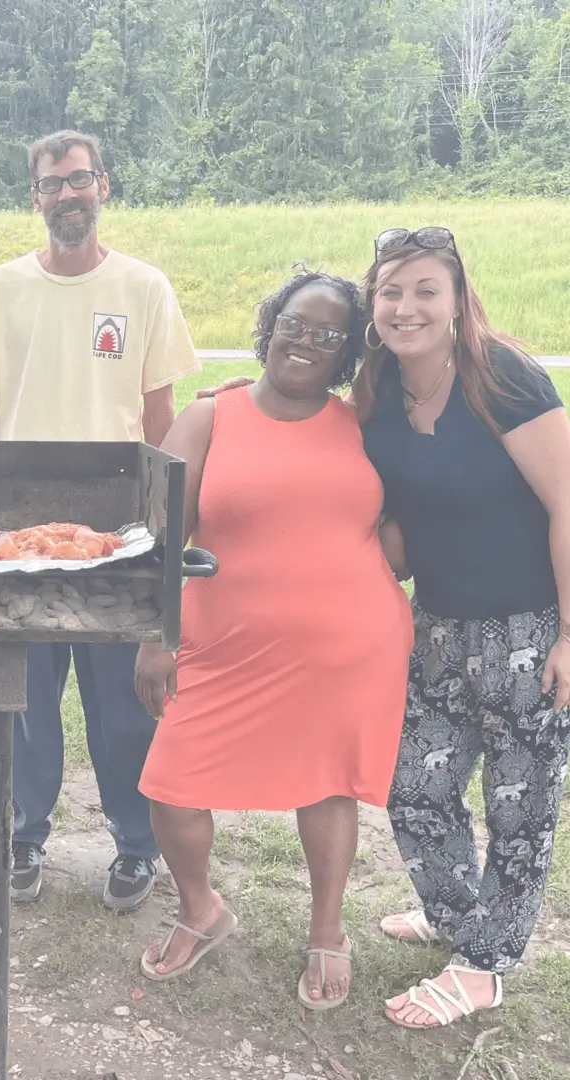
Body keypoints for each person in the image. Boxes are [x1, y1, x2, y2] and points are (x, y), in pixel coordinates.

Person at [134, 270, 413, 1007]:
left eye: (328, 335)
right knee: (171, 784)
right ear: (270, 325)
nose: (306, 342)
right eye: (295, 323)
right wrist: (156, 636)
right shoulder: (210, 416)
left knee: (326, 784)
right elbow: (160, 538)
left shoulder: (363, 422)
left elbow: (405, 520)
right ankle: (202, 908)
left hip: (346, 649)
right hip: (221, 645)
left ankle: (329, 928)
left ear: (347, 352)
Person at [0, 129, 200, 911]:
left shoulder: (143, 287)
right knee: (27, 700)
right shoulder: (2, 287)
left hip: (116, 535)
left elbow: (161, 418)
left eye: (79, 179)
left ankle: (134, 844)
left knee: (122, 703)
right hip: (22, 531)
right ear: (34, 196)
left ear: (104, 185)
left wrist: (163, 526)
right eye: (52, 183)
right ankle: (25, 833)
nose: (67, 194)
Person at [356, 227, 570, 1030]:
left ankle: (485, 967)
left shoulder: (500, 375)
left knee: (520, 806)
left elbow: (567, 503)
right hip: (438, 627)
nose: (406, 307)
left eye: (425, 290)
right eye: (391, 291)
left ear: (456, 300)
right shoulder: (378, 385)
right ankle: (455, 915)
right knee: (413, 788)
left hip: (527, 628)